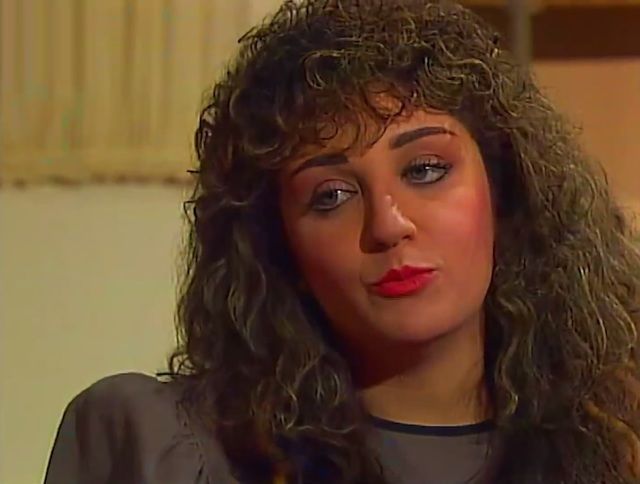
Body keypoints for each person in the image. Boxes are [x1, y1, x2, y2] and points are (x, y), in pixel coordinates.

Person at [44, 0, 640, 483]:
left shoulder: (617, 447)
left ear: (504, 194)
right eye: (330, 196)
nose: (387, 224)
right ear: (280, 248)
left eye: (425, 170)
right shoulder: (164, 448)